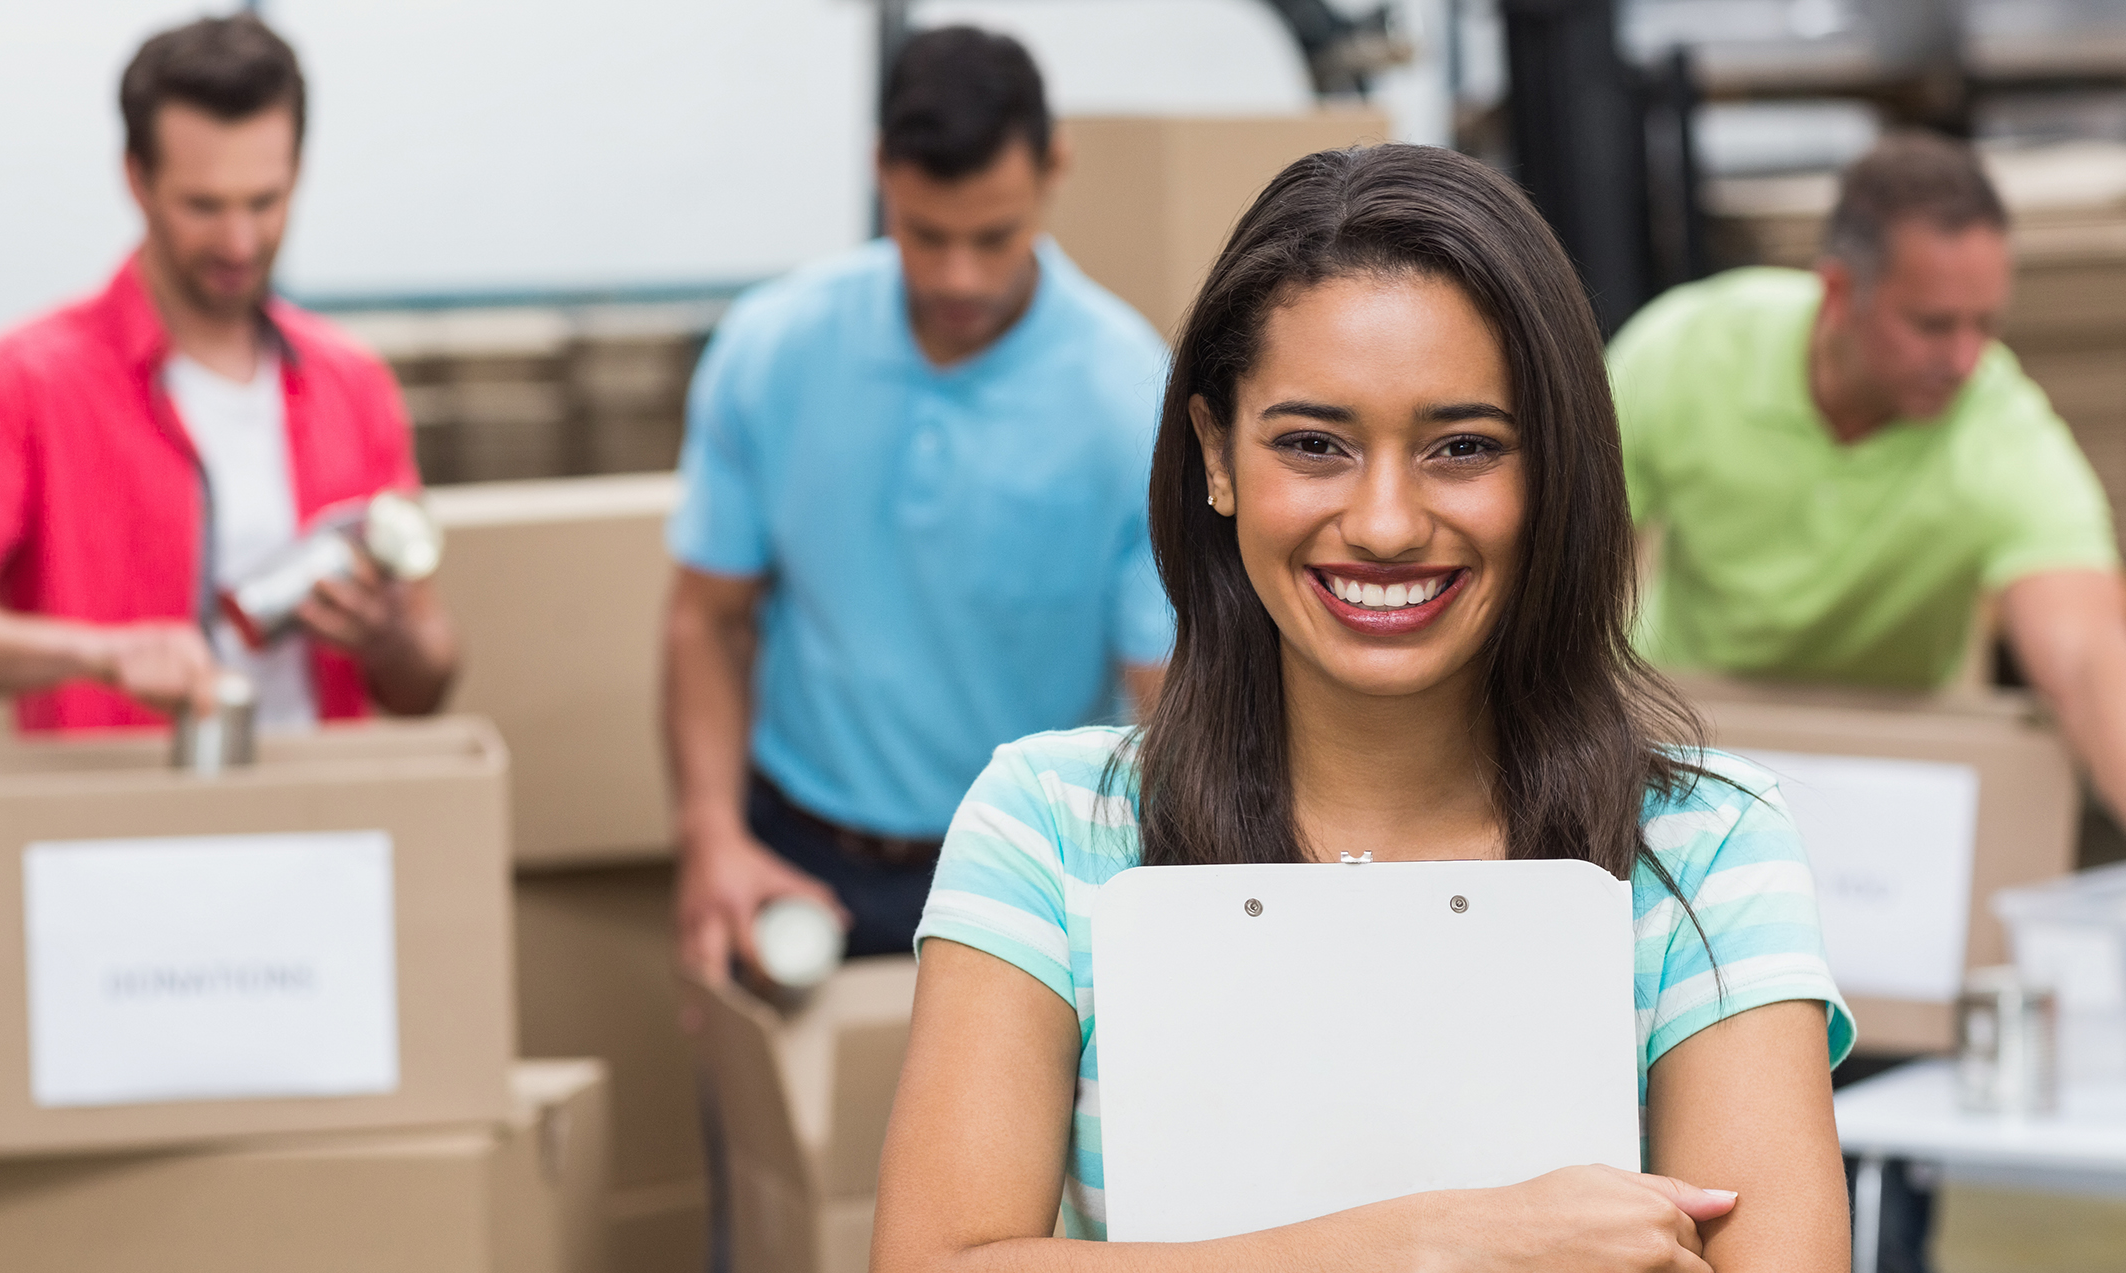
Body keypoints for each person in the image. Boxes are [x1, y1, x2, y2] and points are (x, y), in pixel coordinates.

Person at [875, 144, 1854, 1270]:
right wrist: (1431, 1242)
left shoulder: (1707, 847)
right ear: (1215, 454)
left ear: (1556, 469)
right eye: (1312, 444)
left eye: (1462, 447)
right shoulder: (1048, 826)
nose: (1385, 522)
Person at [662, 26, 1171, 981]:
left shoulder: (1130, 396)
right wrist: (710, 836)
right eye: (925, 234)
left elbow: (1171, 696)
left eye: (993, 236)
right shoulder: (771, 350)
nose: (957, 278)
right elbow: (706, 621)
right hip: (796, 861)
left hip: (1034, 870)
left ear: (1054, 168)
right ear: (881, 172)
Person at [0, 13, 455, 731]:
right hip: (113, 824)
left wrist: (391, 636)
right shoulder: (25, 383)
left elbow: (424, 682)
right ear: (136, 178)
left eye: (265, 201)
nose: (239, 240)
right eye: (203, 206)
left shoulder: (351, 383)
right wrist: (99, 653)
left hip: (316, 818)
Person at [1614, 132, 2126, 814]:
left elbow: (2087, 655)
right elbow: (1562, 559)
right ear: (1838, 291)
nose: (1965, 358)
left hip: (1895, 756)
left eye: (1986, 324)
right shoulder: (1686, 352)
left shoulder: (1998, 426)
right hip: (1692, 725)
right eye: (1933, 324)